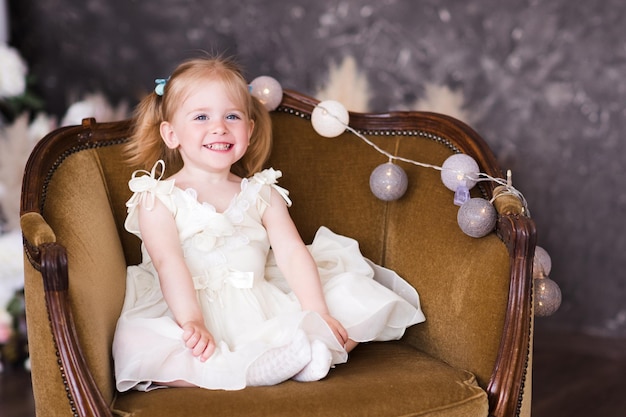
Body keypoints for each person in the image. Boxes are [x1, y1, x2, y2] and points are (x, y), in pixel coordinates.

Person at [112, 56, 425, 392]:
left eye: (232, 116)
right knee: (137, 341)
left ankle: (304, 353)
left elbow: (291, 252)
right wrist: (192, 321)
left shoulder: (262, 192)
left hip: (259, 300)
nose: (219, 127)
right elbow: (167, 262)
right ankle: (253, 370)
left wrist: (316, 313)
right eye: (201, 117)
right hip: (187, 305)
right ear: (171, 134)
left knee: (353, 298)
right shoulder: (157, 197)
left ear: (249, 129)